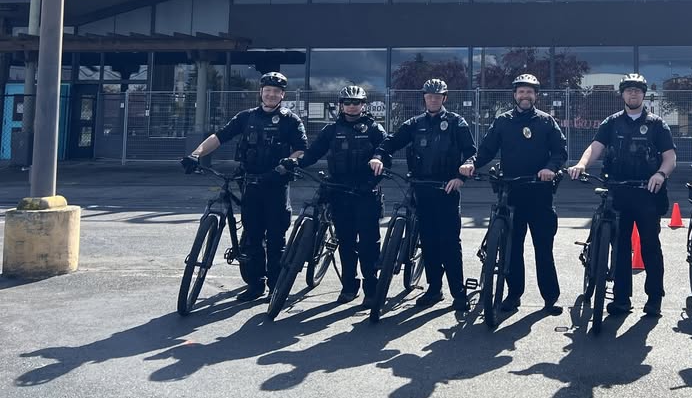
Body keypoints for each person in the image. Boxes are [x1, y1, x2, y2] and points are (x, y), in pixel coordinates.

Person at [183, 72, 307, 302]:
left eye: (276, 91)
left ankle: (276, 286)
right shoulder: (246, 117)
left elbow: (301, 148)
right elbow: (219, 137)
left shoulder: (291, 120)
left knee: (276, 237)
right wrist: (196, 154)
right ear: (260, 92)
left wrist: (290, 162)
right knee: (252, 234)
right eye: (267, 90)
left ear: (282, 95)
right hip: (249, 182)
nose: (271, 94)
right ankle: (255, 284)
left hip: (276, 184)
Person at [568, 73, 676, 317]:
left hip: (647, 193)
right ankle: (621, 300)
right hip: (617, 192)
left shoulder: (658, 124)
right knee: (620, 247)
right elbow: (595, 148)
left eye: (638, 90)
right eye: (629, 90)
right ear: (622, 94)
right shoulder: (612, 122)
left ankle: (655, 298)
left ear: (644, 94)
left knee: (650, 246)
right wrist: (582, 164)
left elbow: (670, 157)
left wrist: (660, 174)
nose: (633, 93)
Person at [461, 73, 568, 316]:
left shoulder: (546, 122)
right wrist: (471, 163)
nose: (525, 95)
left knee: (543, 247)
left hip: (540, 193)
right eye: (521, 91)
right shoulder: (503, 121)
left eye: (530, 92)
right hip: (511, 193)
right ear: (514, 95)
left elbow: (560, 152)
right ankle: (513, 295)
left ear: (536, 96)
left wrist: (550, 169)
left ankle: (550, 298)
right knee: (512, 247)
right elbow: (486, 150)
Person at [369, 78, 476, 312]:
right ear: (424, 98)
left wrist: (462, 177)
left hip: (446, 189)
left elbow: (471, 153)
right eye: (429, 96)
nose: (433, 100)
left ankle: (458, 293)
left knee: (449, 242)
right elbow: (392, 142)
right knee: (428, 242)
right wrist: (378, 155)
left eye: (437, 96)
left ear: (444, 99)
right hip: (421, 188)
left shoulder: (457, 122)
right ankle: (434, 289)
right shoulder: (414, 123)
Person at [282, 85, 386, 308]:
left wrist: (378, 161)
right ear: (340, 105)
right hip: (338, 192)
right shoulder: (330, 130)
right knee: (346, 243)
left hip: (365, 192)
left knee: (369, 244)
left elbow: (385, 152)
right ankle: (349, 287)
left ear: (363, 105)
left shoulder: (375, 129)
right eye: (347, 102)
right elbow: (312, 154)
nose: (351, 106)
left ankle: (371, 288)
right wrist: (296, 162)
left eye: (356, 102)